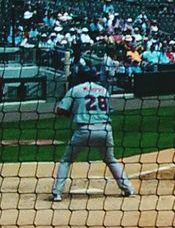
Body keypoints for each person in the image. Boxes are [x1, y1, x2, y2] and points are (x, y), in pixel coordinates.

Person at [50, 68, 135, 202]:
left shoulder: (75, 89)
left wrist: (69, 112)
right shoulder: (104, 90)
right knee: (111, 159)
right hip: (105, 129)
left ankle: (57, 193)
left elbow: (61, 110)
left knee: (66, 160)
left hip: (84, 130)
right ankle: (128, 189)